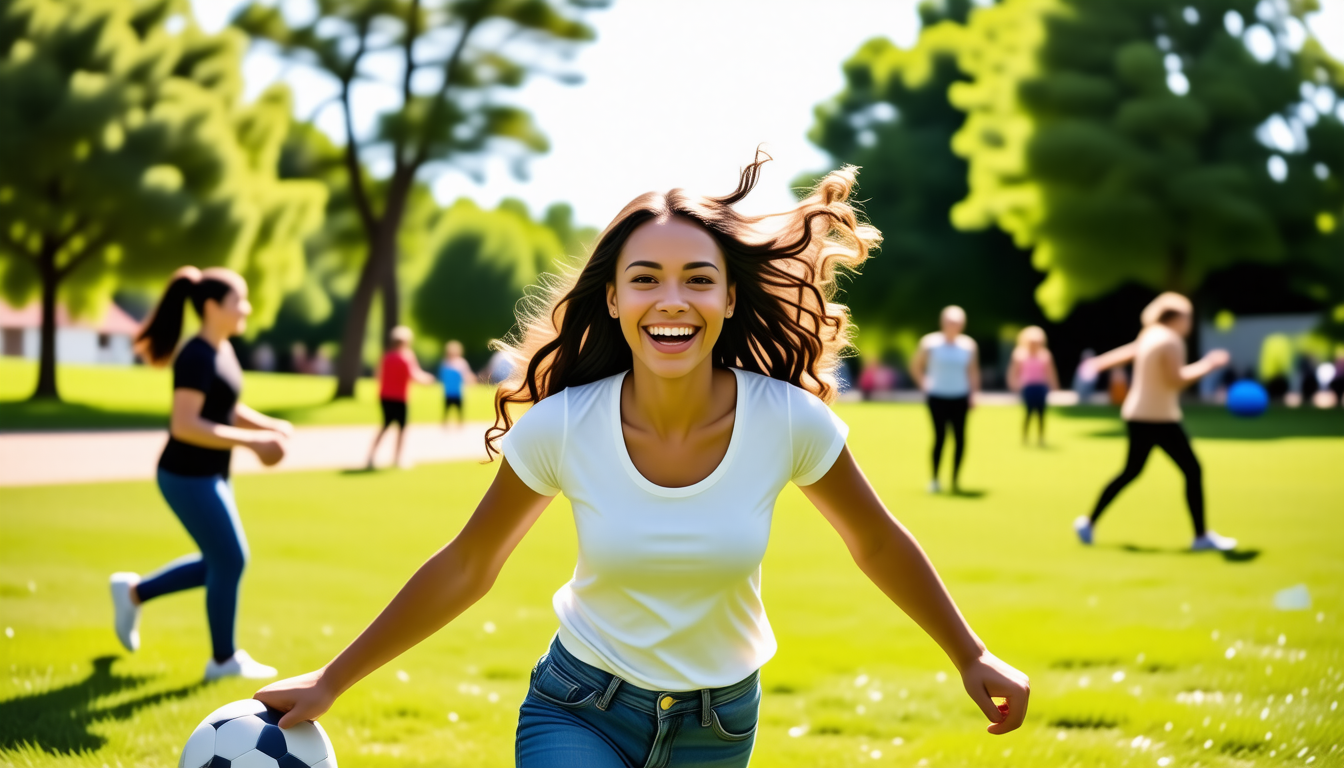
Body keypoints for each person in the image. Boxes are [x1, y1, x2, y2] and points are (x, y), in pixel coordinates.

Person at [254, 156, 1030, 766]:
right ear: (616, 300)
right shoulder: (562, 428)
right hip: (578, 707)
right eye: (645, 279)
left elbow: (877, 541)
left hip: (718, 724)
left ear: (729, 299)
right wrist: (331, 681)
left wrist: (971, 653)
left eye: (698, 279)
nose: (671, 300)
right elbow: (467, 565)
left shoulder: (786, 420)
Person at [110, 266, 290, 680]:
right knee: (230, 558)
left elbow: (225, 409)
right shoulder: (195, 355)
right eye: (238, 301)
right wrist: (252, 444)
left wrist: (268, 426)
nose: (246, 308)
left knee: (222, 559)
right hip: (185, 474)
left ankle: (134, 593)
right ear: (212, 307)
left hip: (211, 473)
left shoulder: (222, 349)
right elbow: (185, 424)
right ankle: (223, 661)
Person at [1074, 292, 1237, 551]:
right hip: (1158, 417)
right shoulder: (1171, 341)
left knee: (1131, 472)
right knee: (1192, 470)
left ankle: (1088, 522)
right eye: (1188, 317)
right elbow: (1176, 380)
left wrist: (1098, 363)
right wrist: (1208, 365)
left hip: (1137, 415)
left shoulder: (1150, 334)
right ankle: (1201, 537)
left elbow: (1128, 352)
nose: (1189, 323)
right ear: (1177, 318)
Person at [910, 306, 980, 493]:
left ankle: (955, 480)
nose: (953, 326)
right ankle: (934, 479)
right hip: (937, 396)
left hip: (960, 396)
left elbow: (972, 372)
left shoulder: (968, 345)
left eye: (957, 323)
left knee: (960, 438)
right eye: (950, 322)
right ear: (943, 323)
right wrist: (925, 384)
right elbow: (916, 365)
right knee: (940, 437)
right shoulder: (930, 343)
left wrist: (974, 394)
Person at [366, 326, 436, 470]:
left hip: (385, 396)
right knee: (402, 428)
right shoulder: (406, 357)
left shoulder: (386, 357)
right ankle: (397, 459)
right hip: (399, 398)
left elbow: (378, 375)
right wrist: (428, 379)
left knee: (385, 426)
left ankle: (371, 457)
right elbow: (414, 375)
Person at [1007, 326, 1059, 446]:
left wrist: (1054, 386)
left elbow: (1050, 372)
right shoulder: (1020, 354)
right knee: (1028, 413)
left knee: (1041, 414)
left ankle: (1040, 438)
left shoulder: (1045, 355)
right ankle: (1025, 438)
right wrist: (1014, 384)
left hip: (1041, 387)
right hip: (1027, 387)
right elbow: (1013, 371)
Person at [438, 340, 476, 428]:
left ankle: (460, 426)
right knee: (446, 410)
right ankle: (445, 426)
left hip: (458, 392)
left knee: (460, 411)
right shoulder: (445, 363)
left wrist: (470, 380)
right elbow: (442, 376)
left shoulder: (461, 363)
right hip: (448, 392)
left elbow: (466, 375)